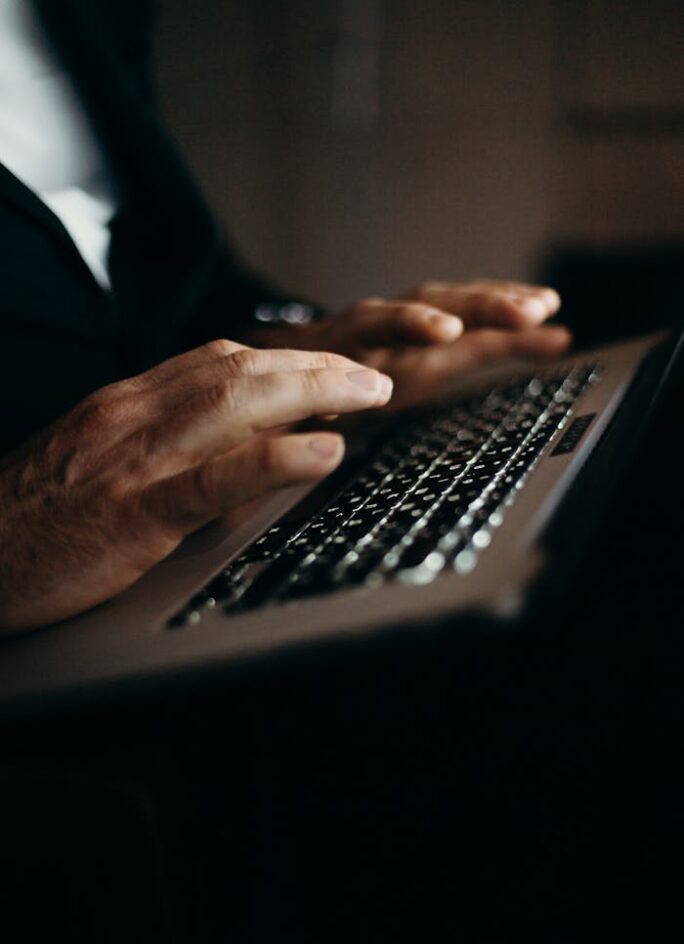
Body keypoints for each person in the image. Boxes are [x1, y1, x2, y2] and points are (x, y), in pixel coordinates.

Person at [0, 0, 569, 636]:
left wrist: (299, 343)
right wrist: (15, 541)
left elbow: (186, 281)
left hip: (202, 551)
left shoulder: (91, 16)